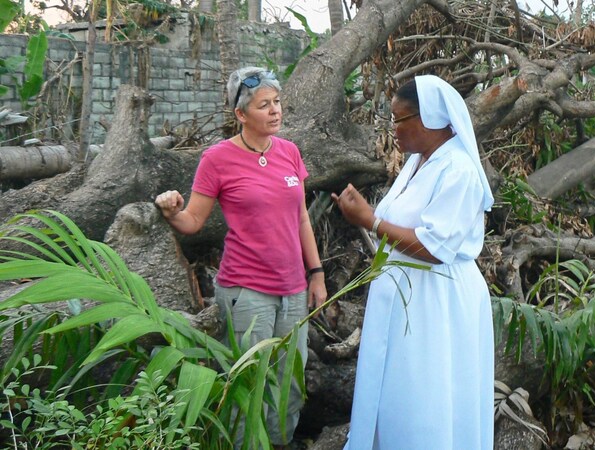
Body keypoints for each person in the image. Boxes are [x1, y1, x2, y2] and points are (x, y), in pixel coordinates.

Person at [154, 67, 327, 450]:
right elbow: (193, 221)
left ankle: (278, 443)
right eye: (264, 105)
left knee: (291, 382)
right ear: (240, 114)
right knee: (248, 383)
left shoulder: (290, 153)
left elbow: (300, 218)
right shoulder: (217, 159)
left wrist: (316, 274)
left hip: (293, 289)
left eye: (277, 102)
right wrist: (170, 209)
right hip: (246, 292)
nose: (275, 111)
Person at [332, 74, 495, 449]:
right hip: (407, 299)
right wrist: (369, 215)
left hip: (436, 303)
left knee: (427, 396)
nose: (394, 129)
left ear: (430, 119)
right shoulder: (419, 162)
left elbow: (436, 249)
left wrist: (370, 219)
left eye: (399, 119)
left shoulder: (458, 171)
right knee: (397, 392)